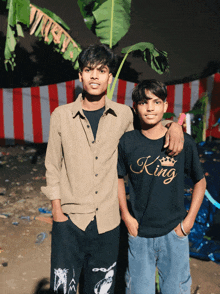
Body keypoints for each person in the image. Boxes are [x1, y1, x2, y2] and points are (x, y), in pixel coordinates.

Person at [41, 45, 184, 294]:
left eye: (102, 70)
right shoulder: (61, 116)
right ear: (80, 76)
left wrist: (173, 126)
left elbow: (151, 127)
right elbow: (52, 164)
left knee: (100, 290)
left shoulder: (124, 115)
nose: (94, 76)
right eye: (88, 70)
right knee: (61, 288)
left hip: (108, 223)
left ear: (110, 77)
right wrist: (56, 211)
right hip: (69, 220)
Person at [117, 79, 206, 294]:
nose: (150, 108)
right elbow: (118, 178)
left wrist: (188, 223)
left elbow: (200, 181)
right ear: (135, 107)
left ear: (165, 107)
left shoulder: (182, 142)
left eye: (156, 102)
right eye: (143, 102)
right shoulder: (128, 142)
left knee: (175, 290)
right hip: (139, 234)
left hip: (174, 233)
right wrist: (126, 216)